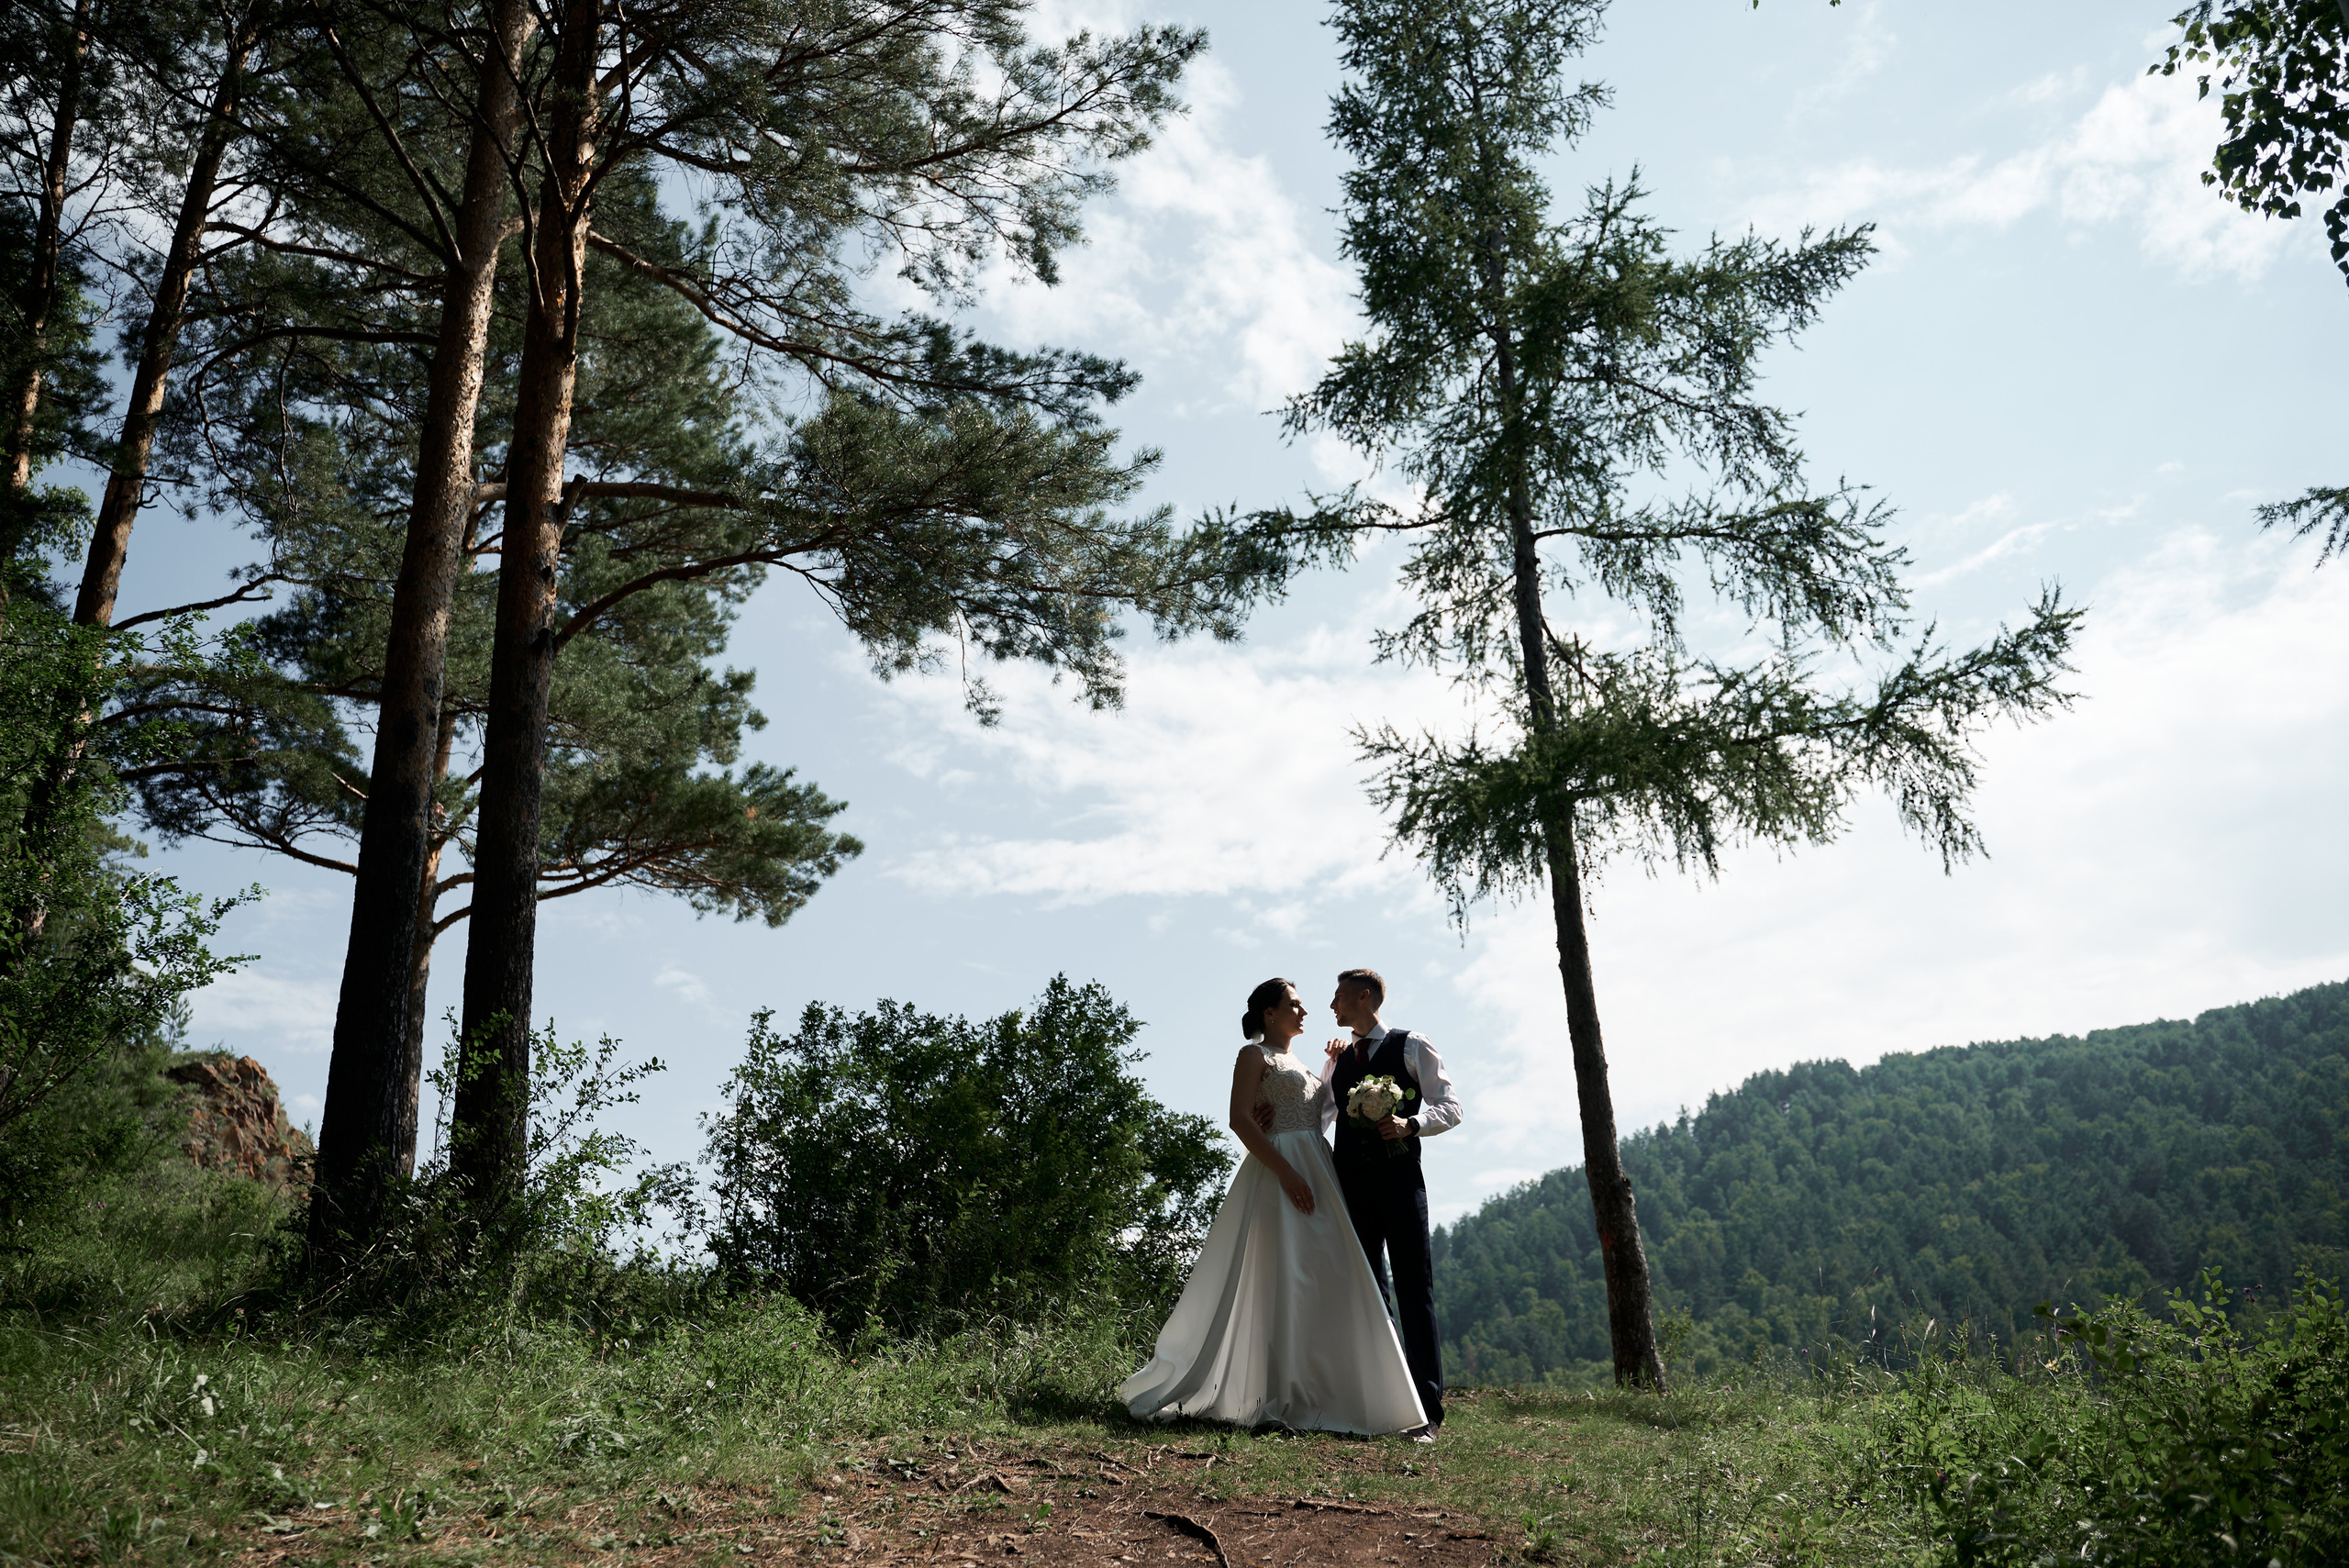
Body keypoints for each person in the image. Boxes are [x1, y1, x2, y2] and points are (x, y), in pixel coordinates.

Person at [1117, 977, 1426, 1436]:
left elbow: (1319, 1109)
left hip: (1320, 1169)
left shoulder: (1303, 1062)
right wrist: (1284, 1170)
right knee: (1285, 1277)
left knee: (1327, 1278)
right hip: (1282, 1173)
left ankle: (1334, 1394)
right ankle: (1279, 1399)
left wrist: (1334, 1060)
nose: (1305, 1011)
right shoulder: (1253, 1055)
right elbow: (1239, 1118)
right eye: (1294, 1005)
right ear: (1269, 1014)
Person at [1321, 967, 1460, 1434]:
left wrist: (1411, 1124)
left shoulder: (1411, 1044)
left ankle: (1427, 1414)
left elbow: (1451, 1106)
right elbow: (1317, 1114)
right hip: (1350, 1187)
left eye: (1339, 996)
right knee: (1368, 1295)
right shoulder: (1338, 1058)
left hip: (1402, 1184)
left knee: (1413, 1292)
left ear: (1364, 997)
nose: (1332, 1005)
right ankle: (1381, 1405)